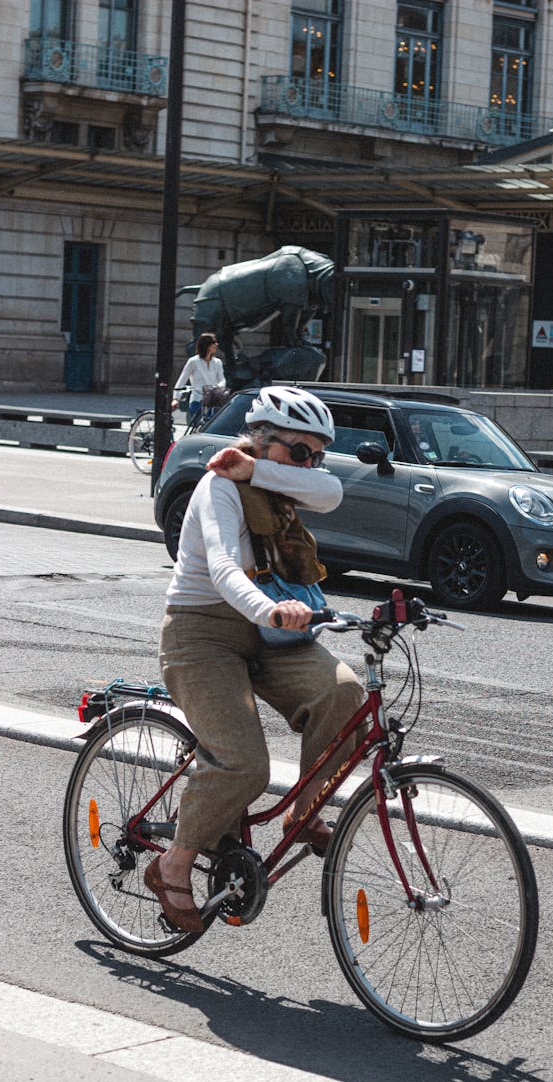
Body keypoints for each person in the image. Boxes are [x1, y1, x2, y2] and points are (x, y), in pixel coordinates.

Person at [147, 386, 364, 933]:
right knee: (244, 764)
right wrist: (270, 610)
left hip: (269, 633)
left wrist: (262, 471)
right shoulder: (217, 487)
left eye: (317, 454)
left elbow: (333, 490)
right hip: (203, 633)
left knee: (344, 693)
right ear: (262, 441)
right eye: (298, 452)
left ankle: (305, 808)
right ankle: (172, 865)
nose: (310, 465)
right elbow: (222, 567)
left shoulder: (274, 484)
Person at [173, 332, 226, 423]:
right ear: (206, 345)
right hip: (197, 400)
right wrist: (176, 398)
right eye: (213, 342)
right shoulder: (193, 361)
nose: (216, 344)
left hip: (212, 401)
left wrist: (219, 386)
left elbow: (222, 379)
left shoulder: (217, 362)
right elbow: (182, 380)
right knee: (198, 426)